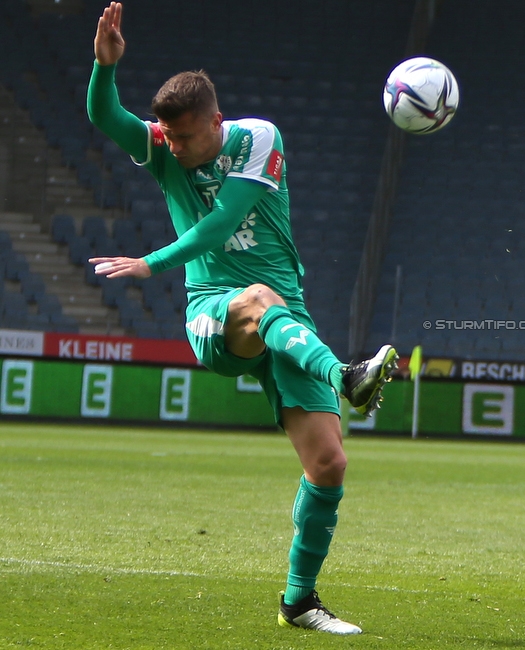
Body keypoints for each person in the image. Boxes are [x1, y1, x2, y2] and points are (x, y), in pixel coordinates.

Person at [86, 3, 398, 634]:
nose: (171, 147)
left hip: (287, 316)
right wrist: (104, 67)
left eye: (184, 138)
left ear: (217, 123)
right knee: (256, 297)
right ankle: (346, 375)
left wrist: (150, 261)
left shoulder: (260, 138)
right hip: (214, 312)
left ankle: (299, 602)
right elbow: (104, 115)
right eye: (166, 136)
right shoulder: (162, 146)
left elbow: (223, 221)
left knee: (329, 465)